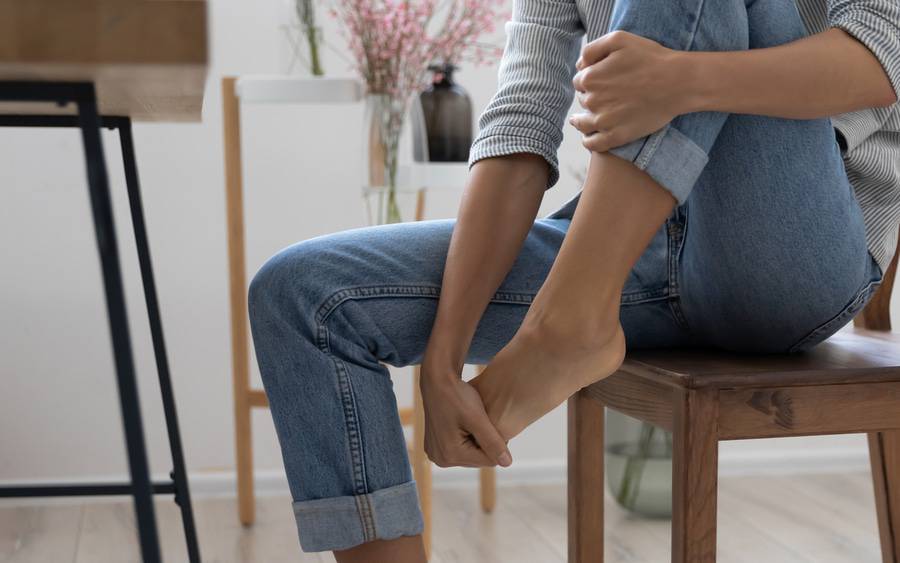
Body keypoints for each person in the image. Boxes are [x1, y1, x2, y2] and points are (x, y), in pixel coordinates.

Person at [248, 0, 900, 560]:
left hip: (785, 249)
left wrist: (685, 79)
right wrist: (444, 355)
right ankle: (574, 313)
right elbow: (521, 120)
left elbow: (884, 49)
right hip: (625, 243)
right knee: (304, 295)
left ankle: (571, 322)